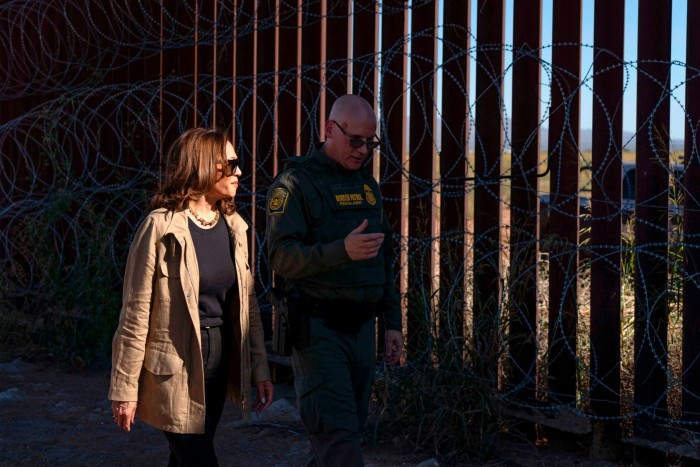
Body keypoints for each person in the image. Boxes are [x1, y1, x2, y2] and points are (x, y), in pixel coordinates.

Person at [108, 127, 273, 466]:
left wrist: (260, 369)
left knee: (185, 457)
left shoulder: (234, 226)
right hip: (175, 365)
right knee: (199, 458)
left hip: (219, 359)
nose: (239, 171)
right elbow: (136, 313)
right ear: (205, 166)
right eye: (231, 163)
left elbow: (248, 307)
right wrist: (124, 388)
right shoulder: (160, 228)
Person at [266, 94, 403, 466]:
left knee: (340, 438)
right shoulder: (294, 184)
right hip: (319, 331)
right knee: (338, 439)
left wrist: (393, 323)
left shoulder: (365, 186)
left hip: (361, 332)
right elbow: (280, 257)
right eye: (355, 140)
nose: (363, 151)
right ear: (330, 129)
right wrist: (340, 250)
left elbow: (385, 257)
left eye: (370, 143)